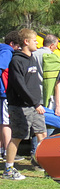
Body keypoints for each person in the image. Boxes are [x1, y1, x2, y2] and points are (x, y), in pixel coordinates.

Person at [4, 28, 46, 180]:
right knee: (18, 136)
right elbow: (20, 85)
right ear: (26, 42)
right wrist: (35, 103)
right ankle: (8, 170)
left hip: (36, 105)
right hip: (20, 106)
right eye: (35, 40)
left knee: (42, 134)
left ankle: (45, 165)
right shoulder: (17, 60)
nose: (37, 43)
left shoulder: (32, 58)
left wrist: (37, 102)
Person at [1, 31, 22, 163]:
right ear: (12, 43)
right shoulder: (7, 52)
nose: (18, 49)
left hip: (2, 92)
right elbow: (1, 67)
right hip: (3, 92)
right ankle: (7, 152)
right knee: (6, 122)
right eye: (17, 46)